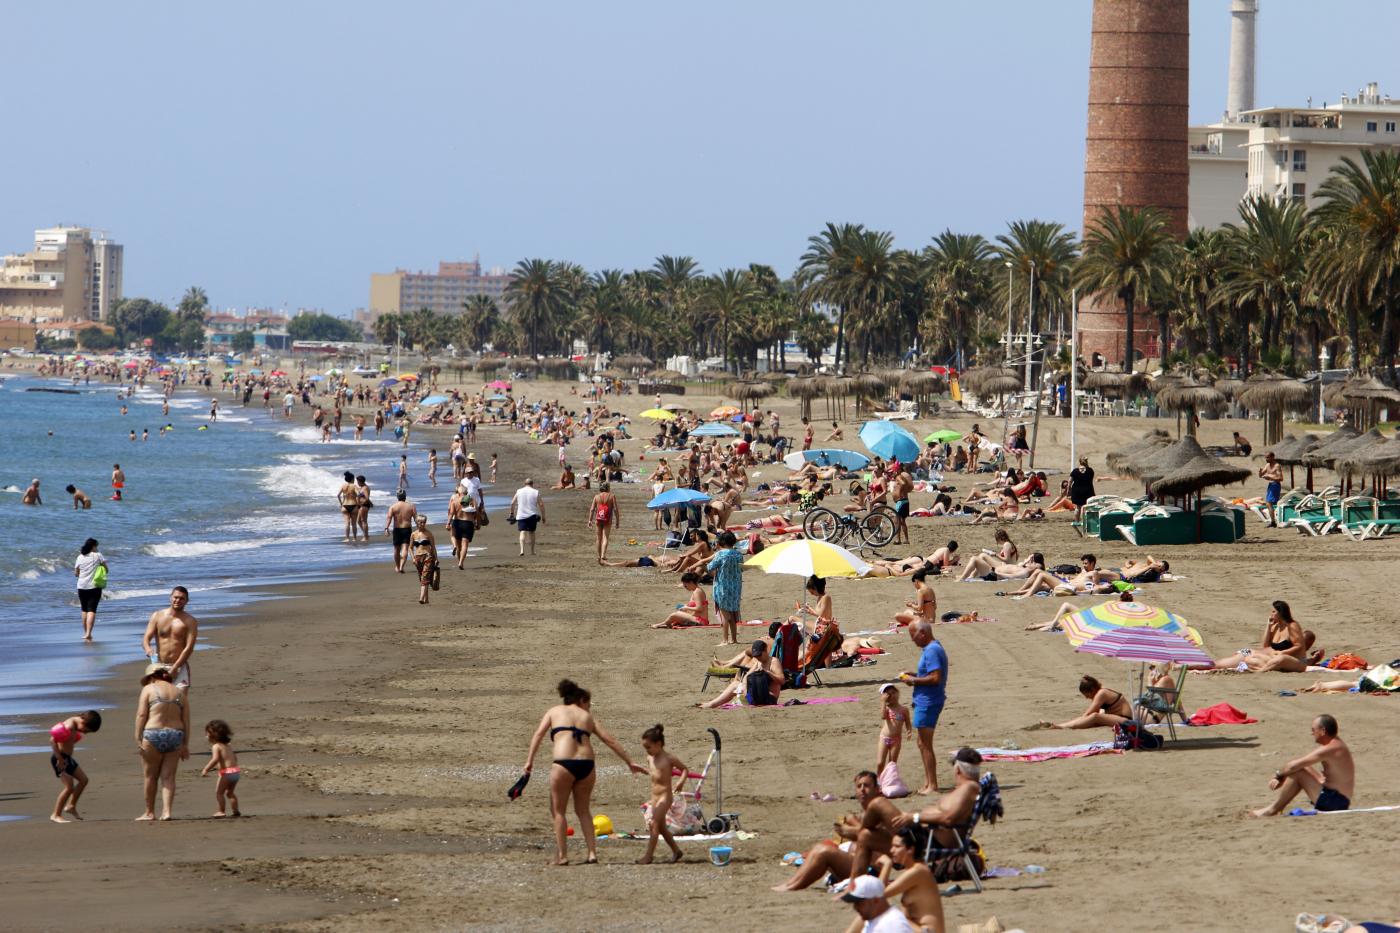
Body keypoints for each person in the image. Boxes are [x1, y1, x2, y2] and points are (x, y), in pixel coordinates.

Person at [522, 679, 645, 865]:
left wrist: (529, 761)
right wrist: (630, 762)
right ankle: (592, 853)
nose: (588, 708)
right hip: (587, 765)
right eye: (588, 703)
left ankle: (562, 856)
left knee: (558, 812)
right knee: (584, 811)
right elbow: (609, 740)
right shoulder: (588, 718)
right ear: (580, 700)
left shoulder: (554, 711)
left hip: (563, 764)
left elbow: (538, 734)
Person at [772, 771, 900, 893]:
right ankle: (790, 884)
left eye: (866, 786)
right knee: (821, 848)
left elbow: (875, 840)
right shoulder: (861, 817)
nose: (862, 789)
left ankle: (792, 887)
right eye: (859, 786)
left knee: (824, 851)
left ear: (877, 789)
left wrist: (853, 826)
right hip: (856, 866)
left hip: (870, 871)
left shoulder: (880, 814)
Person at [1249, 714, 1355, 817]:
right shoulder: (1336, 743)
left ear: (1323, 731)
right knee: (1303, 766)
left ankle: (1273, 809)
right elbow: (1299, 764)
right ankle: (1276, 808)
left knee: (1298, 773)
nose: (1312, 733)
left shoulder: (1330, 748)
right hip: (1338, 798)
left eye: (1313, 730)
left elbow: (1292, 766)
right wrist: (1283, 776)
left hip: (1335, 802)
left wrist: (1278, 775)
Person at [134, 662, 190, 821]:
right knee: (169, 777)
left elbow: (141, 715)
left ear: (152, 677)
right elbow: (186, 720)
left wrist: (138, 737)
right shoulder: (179, 692)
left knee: (150, 776)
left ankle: (149, 812)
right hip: (175, 734)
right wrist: (185, 744)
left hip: (153, 733)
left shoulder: (148, 689)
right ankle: (167, 812)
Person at [901, 621, 948, 794]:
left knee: (925, 744)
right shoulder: (933, 648)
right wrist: (917, 675)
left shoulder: (932, 650)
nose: (913, 640)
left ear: (922, 633)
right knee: (922, 743)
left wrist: (913, 680)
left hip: (929, 701)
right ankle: (928, 782)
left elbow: (935, 677)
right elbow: (930, 674)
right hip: (926, 699)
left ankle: (933, 784)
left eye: (913, 636)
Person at [1208, 600, 1314, 672]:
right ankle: (1213, 665)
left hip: (1285, 660)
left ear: (1280, 613)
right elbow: (1265, 646)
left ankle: (1229, 668)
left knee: (1247, 661)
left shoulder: (1292, 626)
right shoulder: (1275, 626)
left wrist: (1282, 652)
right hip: (1268, 656)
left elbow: (1298, 646)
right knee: (1244, 653)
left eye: (1273, 612)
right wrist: (1268, 626)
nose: (1271, 614)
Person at [874, 827, 946, 933]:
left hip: (927, 931)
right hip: (917, 929)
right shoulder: (914, 870)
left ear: (910, 849)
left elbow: (878, 894)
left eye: (897, 846)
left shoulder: (918, 872)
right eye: (892, 846)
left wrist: (887, 865)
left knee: (881, 913)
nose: (891, 850)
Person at [637, 724, 686, 865]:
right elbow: (655, 773)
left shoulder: (669, 758)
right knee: (662, 828)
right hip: (654, 797)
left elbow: (684, 770)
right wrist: (644, 770)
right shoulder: (650, 758)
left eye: (648, 747)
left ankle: (648, 856)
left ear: (658, 744)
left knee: (653, 824)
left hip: (665, 797)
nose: (647, 751)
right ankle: (676, 851)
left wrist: (681, 782)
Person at [48, 710, 102, 823]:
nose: (85, 733)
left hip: (67, 759)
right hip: (60, 760)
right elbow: (52, 740)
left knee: (84, 780)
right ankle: (56, 815)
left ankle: (71, 806)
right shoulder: (69, 726)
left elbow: (68, 741)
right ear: (83, 722)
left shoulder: (76, 725)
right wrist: (60, 759)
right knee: (69, 787)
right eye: (86, 731)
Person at [142, 586, 198, 694]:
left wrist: (176, 667)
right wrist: (148, 649)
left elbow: (189, 647)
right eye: (175, 597)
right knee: (158, 701)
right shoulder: (157, 616)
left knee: (179, 702)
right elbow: (146, 638)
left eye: (182, 598)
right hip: (159, 665)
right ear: (170, 598)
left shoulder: (190, 621)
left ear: (187, 601)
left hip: (179, 666)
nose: (178, 600)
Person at [697, 640, 784, 709]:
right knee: (736, 684)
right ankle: (712, 703)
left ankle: (712, 704)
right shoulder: (758, 662)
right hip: (757, 696)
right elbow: (747, 676)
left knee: (736, 685)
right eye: (756, 656)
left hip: (769, 698)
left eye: (759, 655)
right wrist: (745, 687)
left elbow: (782, 680)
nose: (758, 658)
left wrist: (769, 673)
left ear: (765, 651)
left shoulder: (773, 662)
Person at [1034, 675, 1133, 730]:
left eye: (1087, 695)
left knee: (1094, 717)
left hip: (1125, 721)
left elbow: (1089, 714)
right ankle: (1058, 725)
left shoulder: (1102, 693)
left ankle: (1058, 726)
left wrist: (1080, 720)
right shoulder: (1101, 691)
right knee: (1091, 720)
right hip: (1116, 718)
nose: (1087, 698)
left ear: (1093, 689)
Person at [841, 876, 917, 933]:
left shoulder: (893, 925)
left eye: (859, 903)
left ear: (876, 900)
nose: (855, 908)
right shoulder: (874, 918)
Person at [707, 531, 744, 646]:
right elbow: (741, 569)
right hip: (736, 587)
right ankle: (734, 639)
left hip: (722, 586)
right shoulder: (739, 555)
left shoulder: (721, 554)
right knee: (733, 613)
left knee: (725, 615)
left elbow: (710, 567)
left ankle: (725, 640)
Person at [200, 719, 241, 818]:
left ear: (213, 735)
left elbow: (215, 759)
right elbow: (235, 758)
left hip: (227, 773)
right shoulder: (228, 746)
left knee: (219, 793)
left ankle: (221, 811)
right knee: (230, 793)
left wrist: (206, 769)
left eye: (207, 734)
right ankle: (236, 810)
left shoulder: (216, 746)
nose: (206, 736)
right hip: (236, 772)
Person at [74, 537, 107, 641]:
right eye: (96, 546)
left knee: (84, 609)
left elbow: (76, 573)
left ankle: (85, 633)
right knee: (92, 610)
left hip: (81, 586)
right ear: (93, 546)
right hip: (94, 586)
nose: (97, 548)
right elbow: (106, 569)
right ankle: (89, 633)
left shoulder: (80, 557)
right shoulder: (98, 555)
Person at [876, 683, 912, 775]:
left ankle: (889, 781)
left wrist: (909, 730)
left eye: (893, 692)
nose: (892, 696)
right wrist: (883, 702)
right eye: (888, 694)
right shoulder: (887, 708)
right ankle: (878, 781)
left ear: (898, 693)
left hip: (896, 740)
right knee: (880, 763)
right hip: (884, 738)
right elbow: (883, 717)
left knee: (891, 764)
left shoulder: (904, 709)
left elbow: (908, 722)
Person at [384, 490, 418, 572]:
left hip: (397, 529)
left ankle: (397, 566)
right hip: (407, 529)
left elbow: (389, 518)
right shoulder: (411, 506)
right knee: (405, 548)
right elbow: (416, 518)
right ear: (405, 496)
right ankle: (402, 566)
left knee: (396, 549)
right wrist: (419, 529)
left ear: (397, 496)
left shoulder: (393, 507)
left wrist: (386, 528)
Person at [510, 477, 545, 557]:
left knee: (522, 531)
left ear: (524, 484)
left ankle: (522, 550)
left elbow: (512, 503)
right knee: (532, 532)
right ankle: (532, 551)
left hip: (521, 515)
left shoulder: (519, 491)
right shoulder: (536, 492)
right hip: (532, 515)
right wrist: (543, 516)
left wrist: (512, 513)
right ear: (532, 484)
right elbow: (541, 505)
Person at [588, 482, 620, 565]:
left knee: (598, 538)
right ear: (608, 488)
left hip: (598, 519)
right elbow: (615, 509)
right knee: (605, 537)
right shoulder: (612, 496)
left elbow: (592, 509)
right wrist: (617, 521)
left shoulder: (596, 497)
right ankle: (603, 555)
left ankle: (598, 556)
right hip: (608, 519)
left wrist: (590, 520)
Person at [410, 515, 439, 605]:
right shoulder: (413, 534)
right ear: (417, 523)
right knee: (422, 578)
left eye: (424, 522)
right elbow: (410, 548)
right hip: (418, 558)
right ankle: (426, 599)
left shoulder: (428, 534)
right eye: (420, 522)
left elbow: (433, 547)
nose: (422, 524)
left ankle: (421, 598)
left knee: (425, 577)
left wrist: (436, 558)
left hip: (428, 556)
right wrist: (413, 558)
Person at [1259, 451, 1285, 527]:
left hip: (1275, 485)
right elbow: (1261, 475)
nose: (1266, 459)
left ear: (1272, 457)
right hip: (1270, 485)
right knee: (1270, 503)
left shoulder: (1277, 466)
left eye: (1268, 457)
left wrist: (1270, 477)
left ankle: (1273, 521)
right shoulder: (1267, 465)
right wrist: (1260, 472)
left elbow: (1281, 478)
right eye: (1265, 457)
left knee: (1269, 503)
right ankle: (1273, 521)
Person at [1068, 456, 1095, 520]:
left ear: (1079, 462)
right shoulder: (1090, 471)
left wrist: (1069, 490)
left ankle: (1077, 521)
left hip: (1077, 491)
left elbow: (1069, 481)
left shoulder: (1075, 471)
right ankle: (1085, 522)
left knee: (1078, 508)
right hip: (1088, 490)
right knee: (1086, 507)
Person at [338, 471, 361, 543]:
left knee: (347, 523)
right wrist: (358, 502)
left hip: (345, 505)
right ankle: (354, 538)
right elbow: (359, 494)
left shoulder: (343, 486)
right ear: (351, 479)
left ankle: (347, 538)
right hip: (353, 505)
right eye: (353, 479)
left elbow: (338, 495)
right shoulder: (354, 486)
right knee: (354, 524)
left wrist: (341, 503)